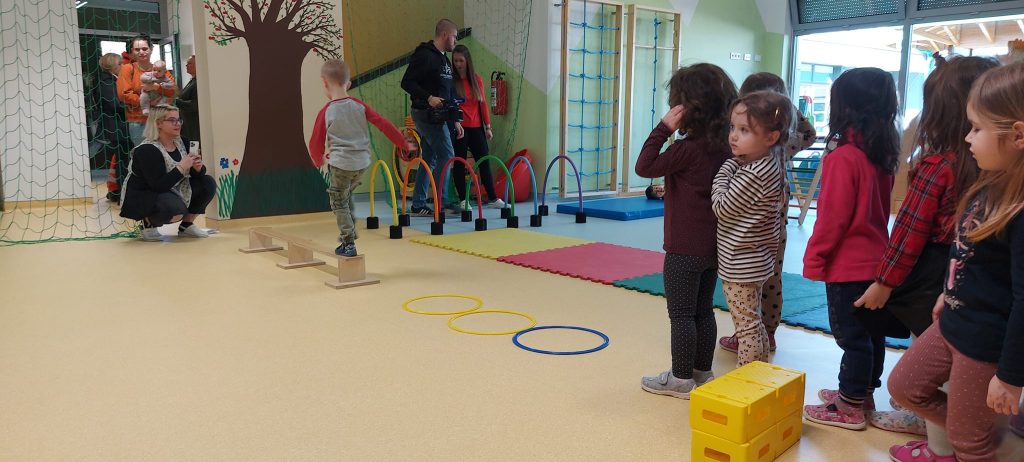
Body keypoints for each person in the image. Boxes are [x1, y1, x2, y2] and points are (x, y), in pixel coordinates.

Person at [851, 57, 999, 438]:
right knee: (958, 358)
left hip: (935, 271)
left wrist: (884, 282)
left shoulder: (939, 166)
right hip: (967, 275)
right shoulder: (992, 169)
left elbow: (909, 232)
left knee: (930, 348)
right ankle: (951, 420)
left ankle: (931, 423)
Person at [886, 61, 1024, 462]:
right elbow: (966, 252)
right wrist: (948, 293)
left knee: (969, 442)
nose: (967, 137)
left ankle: (974, 444)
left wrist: (1010, 377)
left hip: (984, 343)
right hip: (953, 321)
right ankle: (982, 436)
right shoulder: (988, 183)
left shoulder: (1018, 211)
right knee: (904, 387)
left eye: (977, 129)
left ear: (1017, 136)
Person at [801, 68, 901, 430]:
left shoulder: (844, 157)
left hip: (848, 266)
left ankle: (849, 404)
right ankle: (862, 392)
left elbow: (833, 217)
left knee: (852, 337)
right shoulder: (880, 153)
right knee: (871, 334)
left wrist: (815, 258)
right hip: (876, 263)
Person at [635, 63, 737, 399]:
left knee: (681, 315)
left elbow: (644, 166)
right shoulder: (728, 147)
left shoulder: (686, 149)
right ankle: (702, 372)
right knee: (703, 310)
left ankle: (680, 379)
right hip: (713, 248)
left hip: (683, 250)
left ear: (685, 109)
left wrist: (663, 128)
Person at [718, 72, 817, 355]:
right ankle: (766, 333)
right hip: (773, 226)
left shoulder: (759, 152)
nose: (735, 135)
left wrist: (722, 178)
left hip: (750, 229)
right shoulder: (782, 142)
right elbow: (809, 133)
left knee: (748, 291)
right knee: (769, 278)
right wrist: (786, 107)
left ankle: (751, 338)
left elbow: (723, 207)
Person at [713, 91, 790, 367]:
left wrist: (724, 171)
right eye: (732, 127)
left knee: (746, 326)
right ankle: (759, 369)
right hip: (756, 259)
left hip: (741, 263)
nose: (733, 136)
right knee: (753, 322)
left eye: (744, 130)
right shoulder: (769, 163)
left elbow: (721, 207)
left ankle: (748, 374)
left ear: (771, 137)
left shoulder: (752, 173)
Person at [308, 59, 411, 256]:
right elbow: (383, 123)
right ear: (348, 84)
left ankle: (348, 242)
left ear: (324, 83)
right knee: (344, 195)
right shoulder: (359, 106)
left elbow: (315, 142)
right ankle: (348, 230)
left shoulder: (327, 111)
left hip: (341, 165)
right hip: (362, 164)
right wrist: (403, 143)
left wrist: (318, 159)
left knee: (338, 202)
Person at [119, 104, 215, 241]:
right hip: (147, 194)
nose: (178, 124)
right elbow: (158, 185)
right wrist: (181, 167)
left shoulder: (183, 142)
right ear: (158, 123)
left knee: (207, 182)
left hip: (173, 189)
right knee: (175, 210)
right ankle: (148, 224)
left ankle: (186, 225)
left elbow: (197, 176)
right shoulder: (147, 149)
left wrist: (198, 168)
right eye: (172, 120)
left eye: (179, 120)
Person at [401, 19, 460, 217]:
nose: (455, 41)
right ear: (444, 35)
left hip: (440, 116)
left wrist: (456, 119)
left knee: (430, 157)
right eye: (454, 36)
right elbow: (407, 82)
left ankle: (418, 203)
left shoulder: (444, 60)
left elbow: (448, 91)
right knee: (447, 154)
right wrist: (428, 97)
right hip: (425, 113)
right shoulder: (424, 55)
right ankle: (440, 201)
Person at [450, 44, 505, 211]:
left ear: (467, 61)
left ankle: (493, 197)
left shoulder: (476, 80)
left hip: (477, 128)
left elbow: (483, 105)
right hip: (460, 128)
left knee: (484, 162)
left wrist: (487, 127)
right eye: (455, 61)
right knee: (459, 163)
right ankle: (463, 199)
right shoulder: (452, 82)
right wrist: (455, 122)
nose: (458, 64)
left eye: (461, 60)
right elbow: (450, 105)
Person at [118, 34, 176, 147]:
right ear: (132, 51)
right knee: (144, 153)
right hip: (139, 121)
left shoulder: (160, 68)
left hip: (161, 120)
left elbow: (173, 90)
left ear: (151, 49)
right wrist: (148, 102)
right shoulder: (127, 69)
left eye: (144, 49)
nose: (141, 52)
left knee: (164, 153)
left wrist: (157, 87)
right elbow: (123, 94)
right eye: (137, 49)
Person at [96, 52, 133, 204]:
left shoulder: (111, 80)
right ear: (113, 66)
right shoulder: (106, 82)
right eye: (120, 64)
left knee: (122, 161)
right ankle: (123, 195)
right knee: (122, 162)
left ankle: (122, 194)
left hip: (118, 128)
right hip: (116, 129)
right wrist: (134, 104)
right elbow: (115, 105)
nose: (123, 66)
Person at [176, 55, 200, 143]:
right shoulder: (192, 81)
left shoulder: (198, 83)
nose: (186, 65)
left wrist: (175, 101)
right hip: (186, 124)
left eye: (189, 63)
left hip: (193, 126)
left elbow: (194, 105)